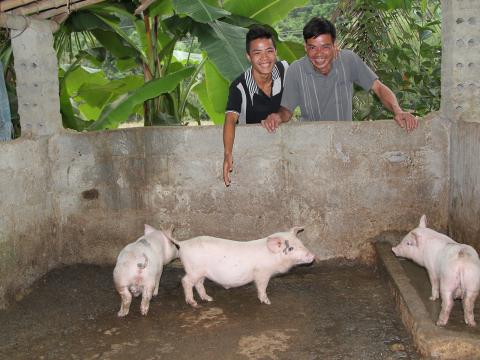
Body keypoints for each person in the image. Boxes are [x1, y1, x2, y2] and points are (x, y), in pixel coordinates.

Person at [261, 17, 418, 133]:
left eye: (325, 47)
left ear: (334, 45)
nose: (319, 54)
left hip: (345, 139)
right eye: (312, 48)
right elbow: (287, 110)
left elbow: (378, 87)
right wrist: (277, 117)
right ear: (305, 47)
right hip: (311, 141)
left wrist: (398, 111)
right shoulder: (296, 70)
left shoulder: (348, 60)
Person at [223, 25, 288, 186]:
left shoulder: (285, 70)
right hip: (253, 157)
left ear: (276, 52)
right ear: (248, 56)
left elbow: (290, 105)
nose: (265, 58)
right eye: (257, 53)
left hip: (283, 152)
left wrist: (278, 116)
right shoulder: (239, 87)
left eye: (269, 51)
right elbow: (230, 119)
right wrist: (227, 154)